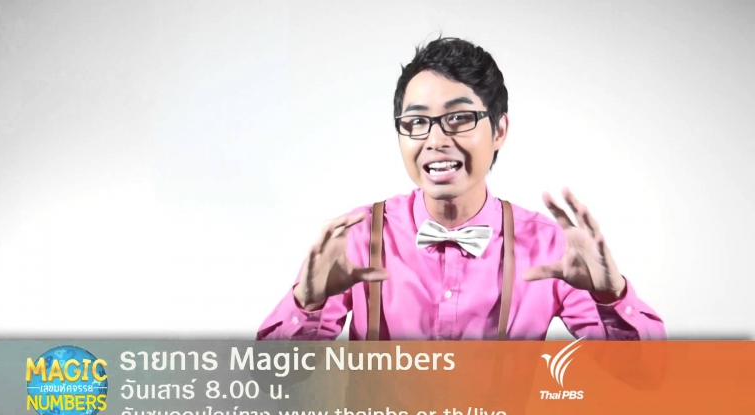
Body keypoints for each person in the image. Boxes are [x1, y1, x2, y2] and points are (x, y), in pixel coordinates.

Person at [256, 37, 665, 341]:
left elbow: (639, 378)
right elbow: (277, 379)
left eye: (459, 118)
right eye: (417, 122)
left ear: (499, 130)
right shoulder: (359, 235)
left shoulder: (548, 246)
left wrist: (612, 296)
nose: (435, 140)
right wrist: (306, 303)